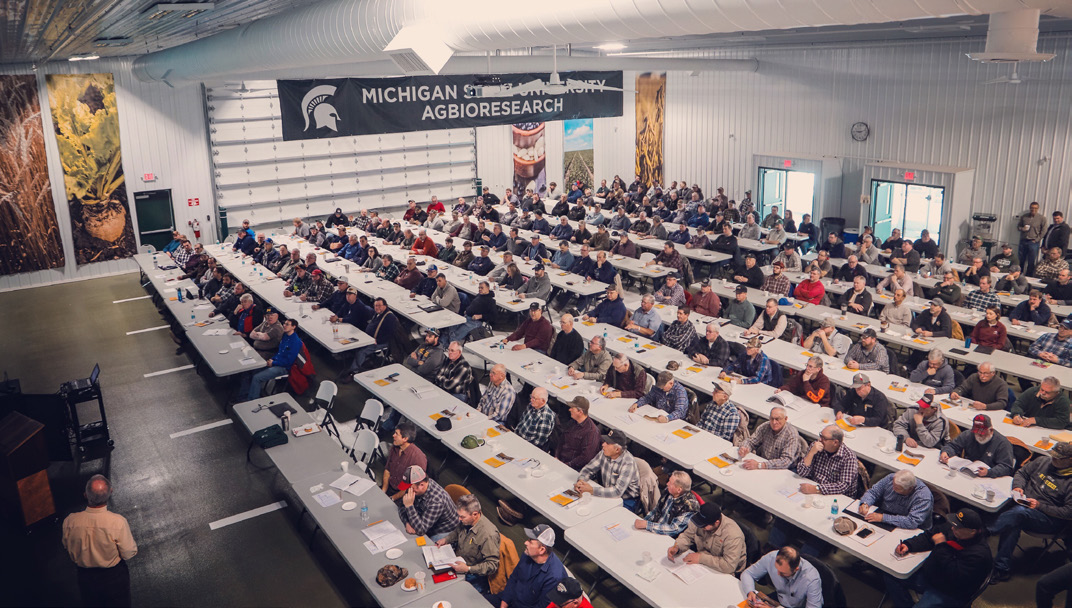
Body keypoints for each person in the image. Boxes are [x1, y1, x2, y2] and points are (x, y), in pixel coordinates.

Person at [989, 442, 1072, 583]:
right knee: (1014, 521)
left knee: (1018, 514)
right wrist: (1018, 487)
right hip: (1024, 506)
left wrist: (1040, 506)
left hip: (1050, 519)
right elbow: (1022, 473)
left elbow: (1068, 512)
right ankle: (1001, 568)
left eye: (1058, 458)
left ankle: (986, 530)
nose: (1053, 460)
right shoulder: (1043, 461)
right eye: (1053, 456)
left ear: (1070, 460)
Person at [887, 508, 993, 608]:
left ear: (972, 531)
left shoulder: (979, 555)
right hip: (930, 576)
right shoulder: (954, 530)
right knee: (890, 573)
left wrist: (940, 546)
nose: (952, 528)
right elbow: (929, 536)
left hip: (949, 591)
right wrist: (909, 545)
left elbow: (954, 576)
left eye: (957, 527)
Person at [62, 475, 137, 607]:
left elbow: (66, 545)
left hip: (85, 577)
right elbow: (128, 553)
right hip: (114, 576)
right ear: (110, 493)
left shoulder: (70, 521)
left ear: (85, 495)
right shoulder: (117, 522)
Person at [489, 524, 568, 608]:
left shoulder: (554, 577)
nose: (525, 542)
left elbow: (542, 606)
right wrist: (504, 604)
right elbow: (514, 578)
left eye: (530, 541)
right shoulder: (528, 554)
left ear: (542, 550)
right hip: (512, 599)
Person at [665, 501, 746, 575]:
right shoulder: (699, 521)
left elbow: (729, 566)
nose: (701, 527)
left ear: (716, 523)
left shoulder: (732, 535)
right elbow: (687, 536)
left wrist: (701, 558)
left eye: (704, 526)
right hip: (703, 563)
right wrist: (677, 547)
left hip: (727, 572)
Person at [576, 430, 641, 512]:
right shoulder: (604, 453)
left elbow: (617, 492)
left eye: (607, 443)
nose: (603, 444)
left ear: (617, 449)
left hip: (626, 500)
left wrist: (592, 490)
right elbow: (588, 469)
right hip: (607, 491)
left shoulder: (628, 464)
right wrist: (581, 481)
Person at [741, 547, 823, 608]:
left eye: (783, 573)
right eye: (776, 569)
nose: (778, 574)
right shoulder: (771, 557)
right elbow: (747, 574)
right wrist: (750, 591)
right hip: (778, 599)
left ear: (795, 570)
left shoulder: (811, 579)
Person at [241, 318, 302, 400]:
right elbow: (279, 352)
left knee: (257, 378)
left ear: (293, 327)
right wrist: (272, 360)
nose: (284, 325)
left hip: (283, 367)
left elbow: (289, 361)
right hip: (276, 362)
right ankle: (245, 394)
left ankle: (252, 400)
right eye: (284, 323)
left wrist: (273, 363)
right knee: (253, 370)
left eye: (287, 324)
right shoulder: (285, 336)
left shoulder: (295, 342)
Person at [939, 414, 1015, 478]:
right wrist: (946, 452)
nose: (979, 436)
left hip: (988, 478)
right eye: (976, 432)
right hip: (967, 472)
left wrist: (989, 472)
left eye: (982, 433)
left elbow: (1006, 467)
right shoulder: (968, 434)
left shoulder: (1002, 443)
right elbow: (953, 446)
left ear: (991, 430)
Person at [396, 465, 459, 542]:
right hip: (427, 522)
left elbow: (420, 530)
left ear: (422, 485)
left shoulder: (436, 501)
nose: (408, 490)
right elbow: (401, 506)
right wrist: (406, 522)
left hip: (443, 531)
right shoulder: (416, 487)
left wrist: (409, 506)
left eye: (411, 488)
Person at [859, 470, 934, 530]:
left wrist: (883, 518)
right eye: (893, 485)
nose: (893, 488)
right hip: (884, 518)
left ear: (910, 488)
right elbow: (873, 492)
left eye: (897, 488)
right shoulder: (891, 478)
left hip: (909, 529)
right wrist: (865, 503)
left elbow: (912, 521)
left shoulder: (923, 497)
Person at [634, 470, 700, 536]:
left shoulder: (689, 507)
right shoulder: (668, 491)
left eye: (670, 483)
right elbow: (656, 510)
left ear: (679, 490)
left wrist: (647, 525)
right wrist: (643, 521)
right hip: (656, 528)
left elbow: (674, 529)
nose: (667, 484)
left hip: (669, 537)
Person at [738, 407, 802, 470]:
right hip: (764, 463)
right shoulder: (765, 427)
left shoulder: (791, 434)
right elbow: (751, 441)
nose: (774, 422)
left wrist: (760, 465)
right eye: (771, 419)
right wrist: (744, 448)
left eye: (777, 419)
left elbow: (786, 461)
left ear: (785, 419)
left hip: (784, 470)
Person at [382, 423, 428, 498]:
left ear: (405, 439)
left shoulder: (418, 457)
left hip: (403, 494)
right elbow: (387, 470)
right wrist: (383, 490)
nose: (393, 435)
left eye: (397, 434)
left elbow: (412, 486)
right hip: (390, 486)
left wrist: (393, 498)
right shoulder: (395, 447)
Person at [555, 397, 601, 470]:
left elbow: (586, 458)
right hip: (560, 462)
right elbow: (561, 440)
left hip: (573, 468)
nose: (569, 409)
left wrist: (566, 465)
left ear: (580, 412)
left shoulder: (592, 432)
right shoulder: (572, 422)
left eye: (572, 408)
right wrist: (556, 456)